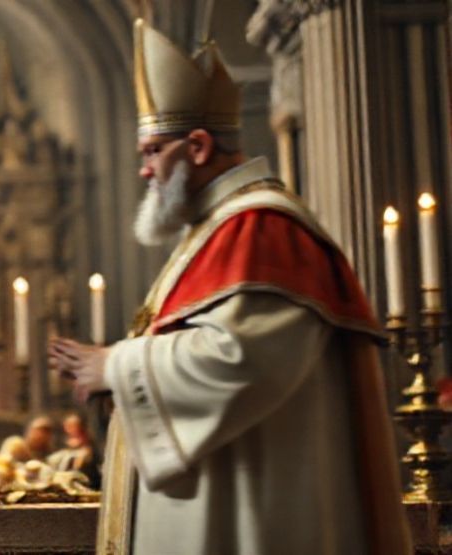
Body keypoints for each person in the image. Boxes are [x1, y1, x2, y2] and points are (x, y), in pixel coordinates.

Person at [48, 21, 410, 554]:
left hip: (254, 506)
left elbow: (244, 358)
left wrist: (117, 365)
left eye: (153, 151)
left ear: (197, 146)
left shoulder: (261, 227)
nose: (145, 171)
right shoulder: (218, 229)